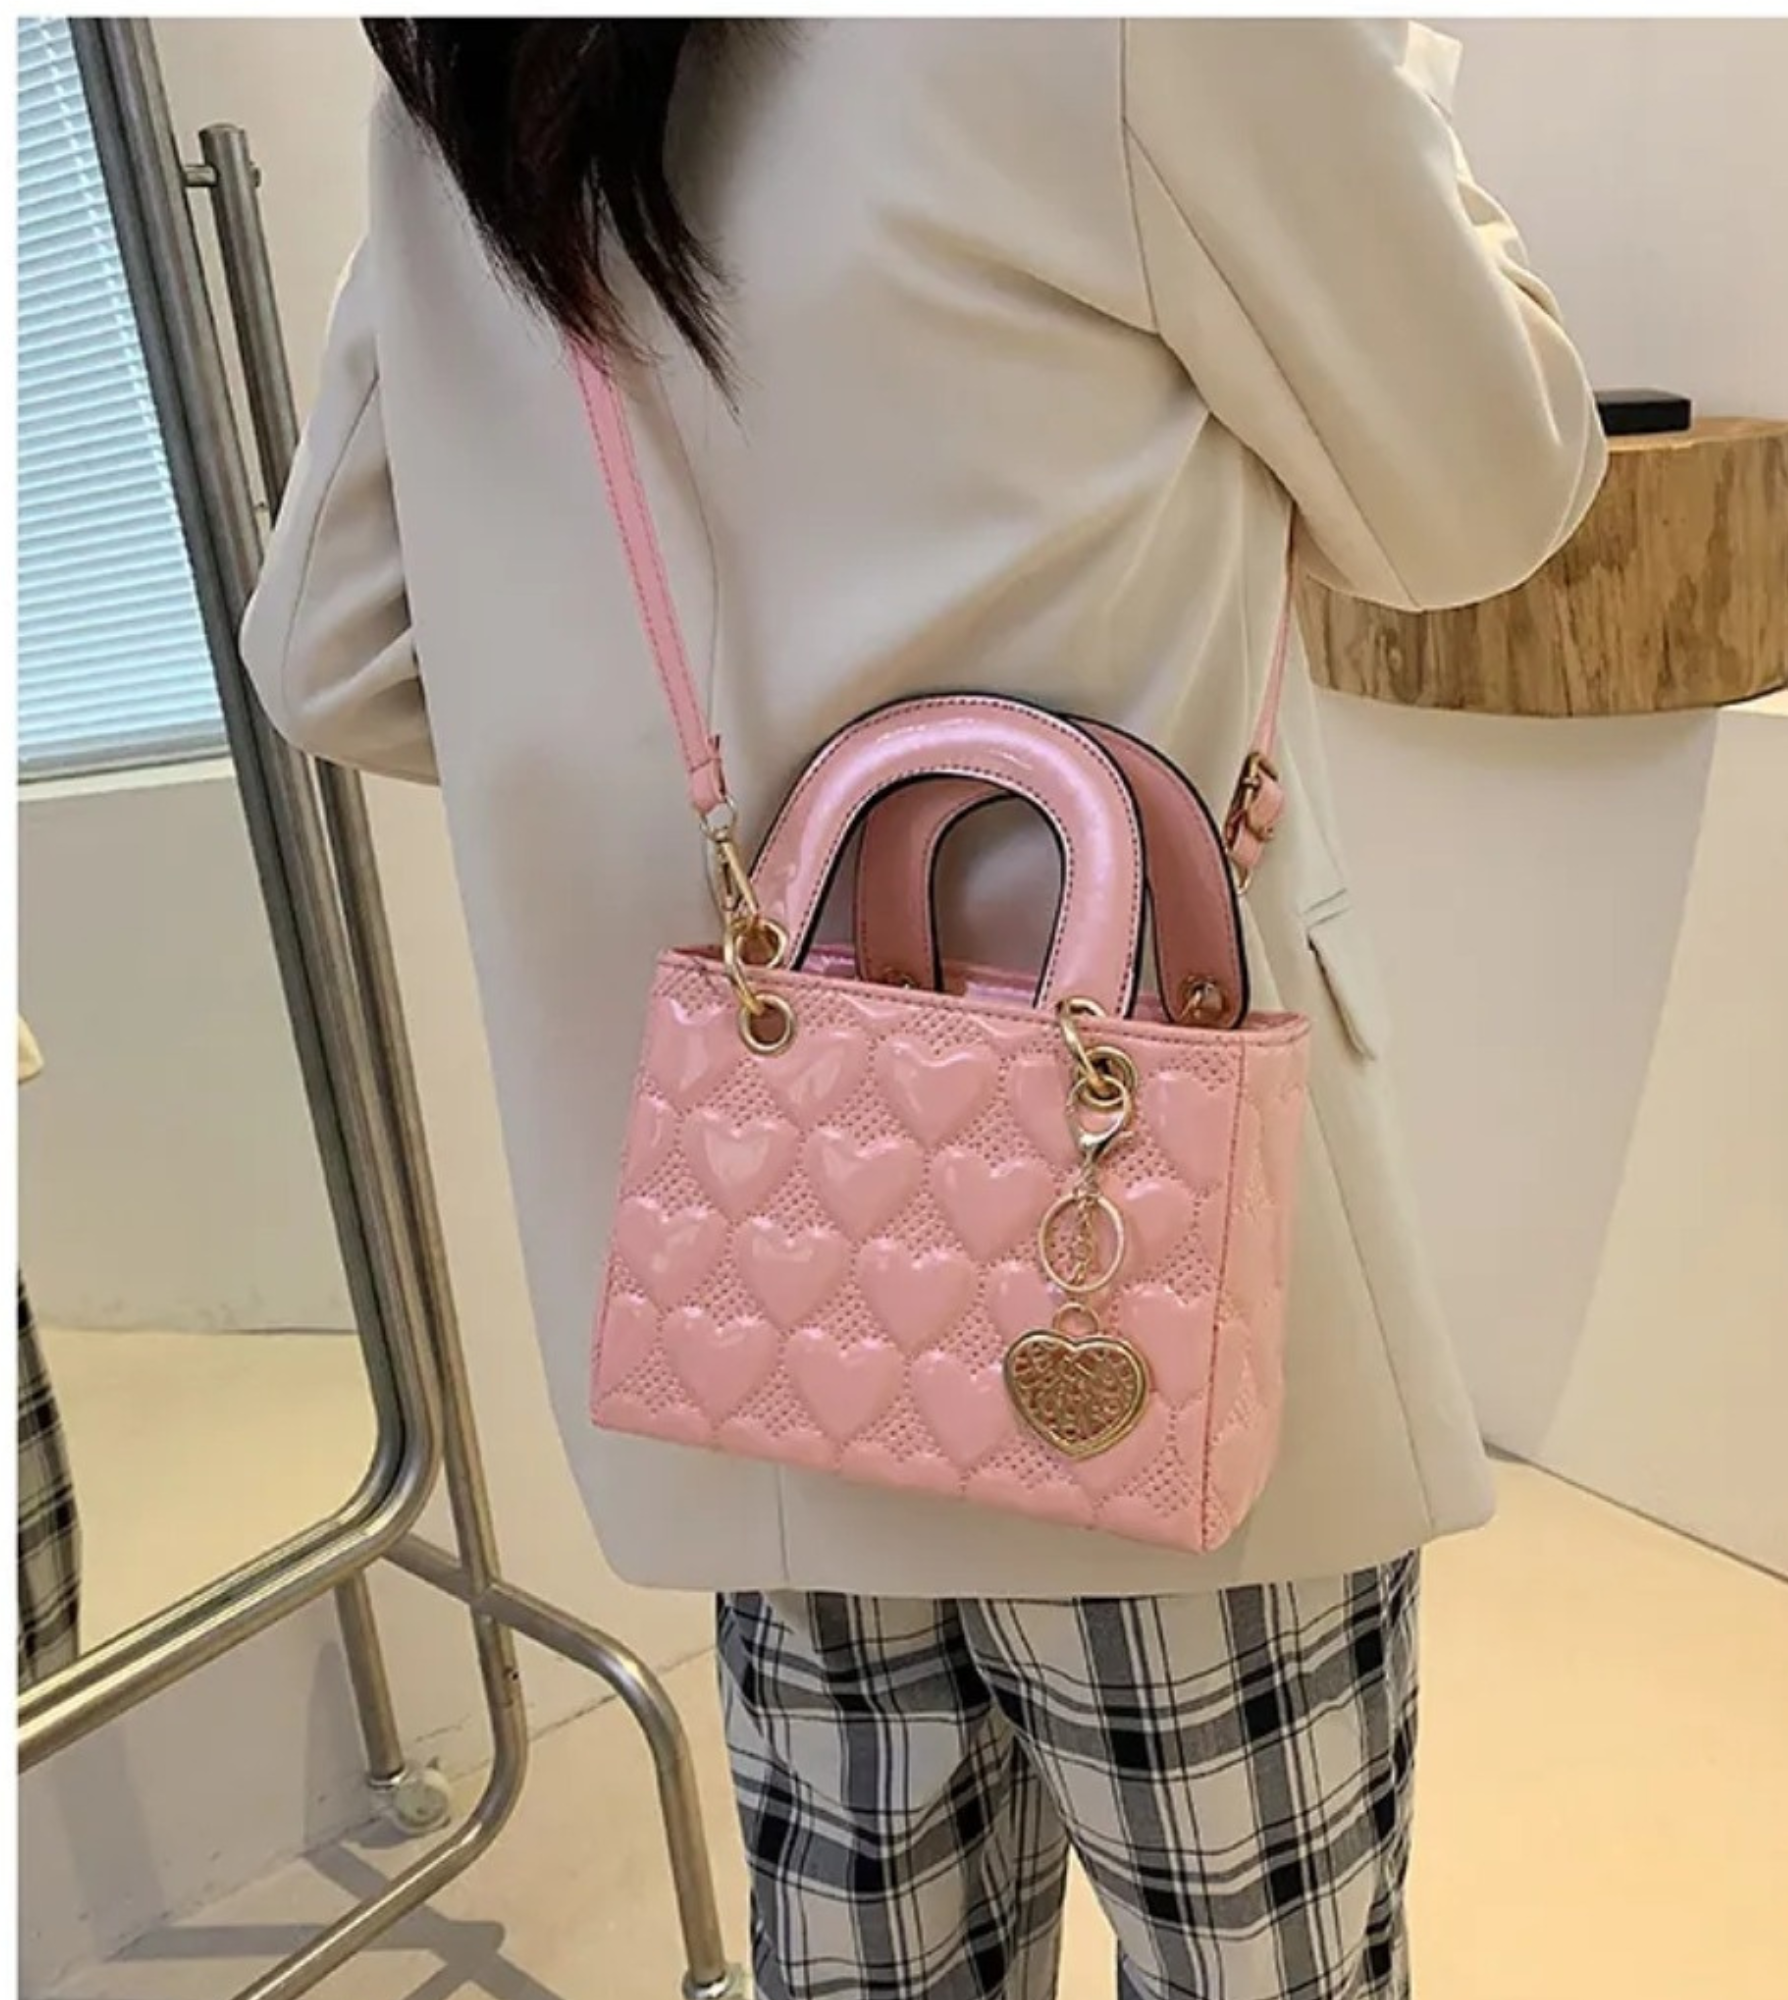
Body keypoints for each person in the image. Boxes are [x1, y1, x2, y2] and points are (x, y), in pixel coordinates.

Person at [245, 22, 1604, 1998]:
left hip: (787, 1294)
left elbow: (331, 647)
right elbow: (1488, 490)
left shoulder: (473, 89)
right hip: (1138, 1284)